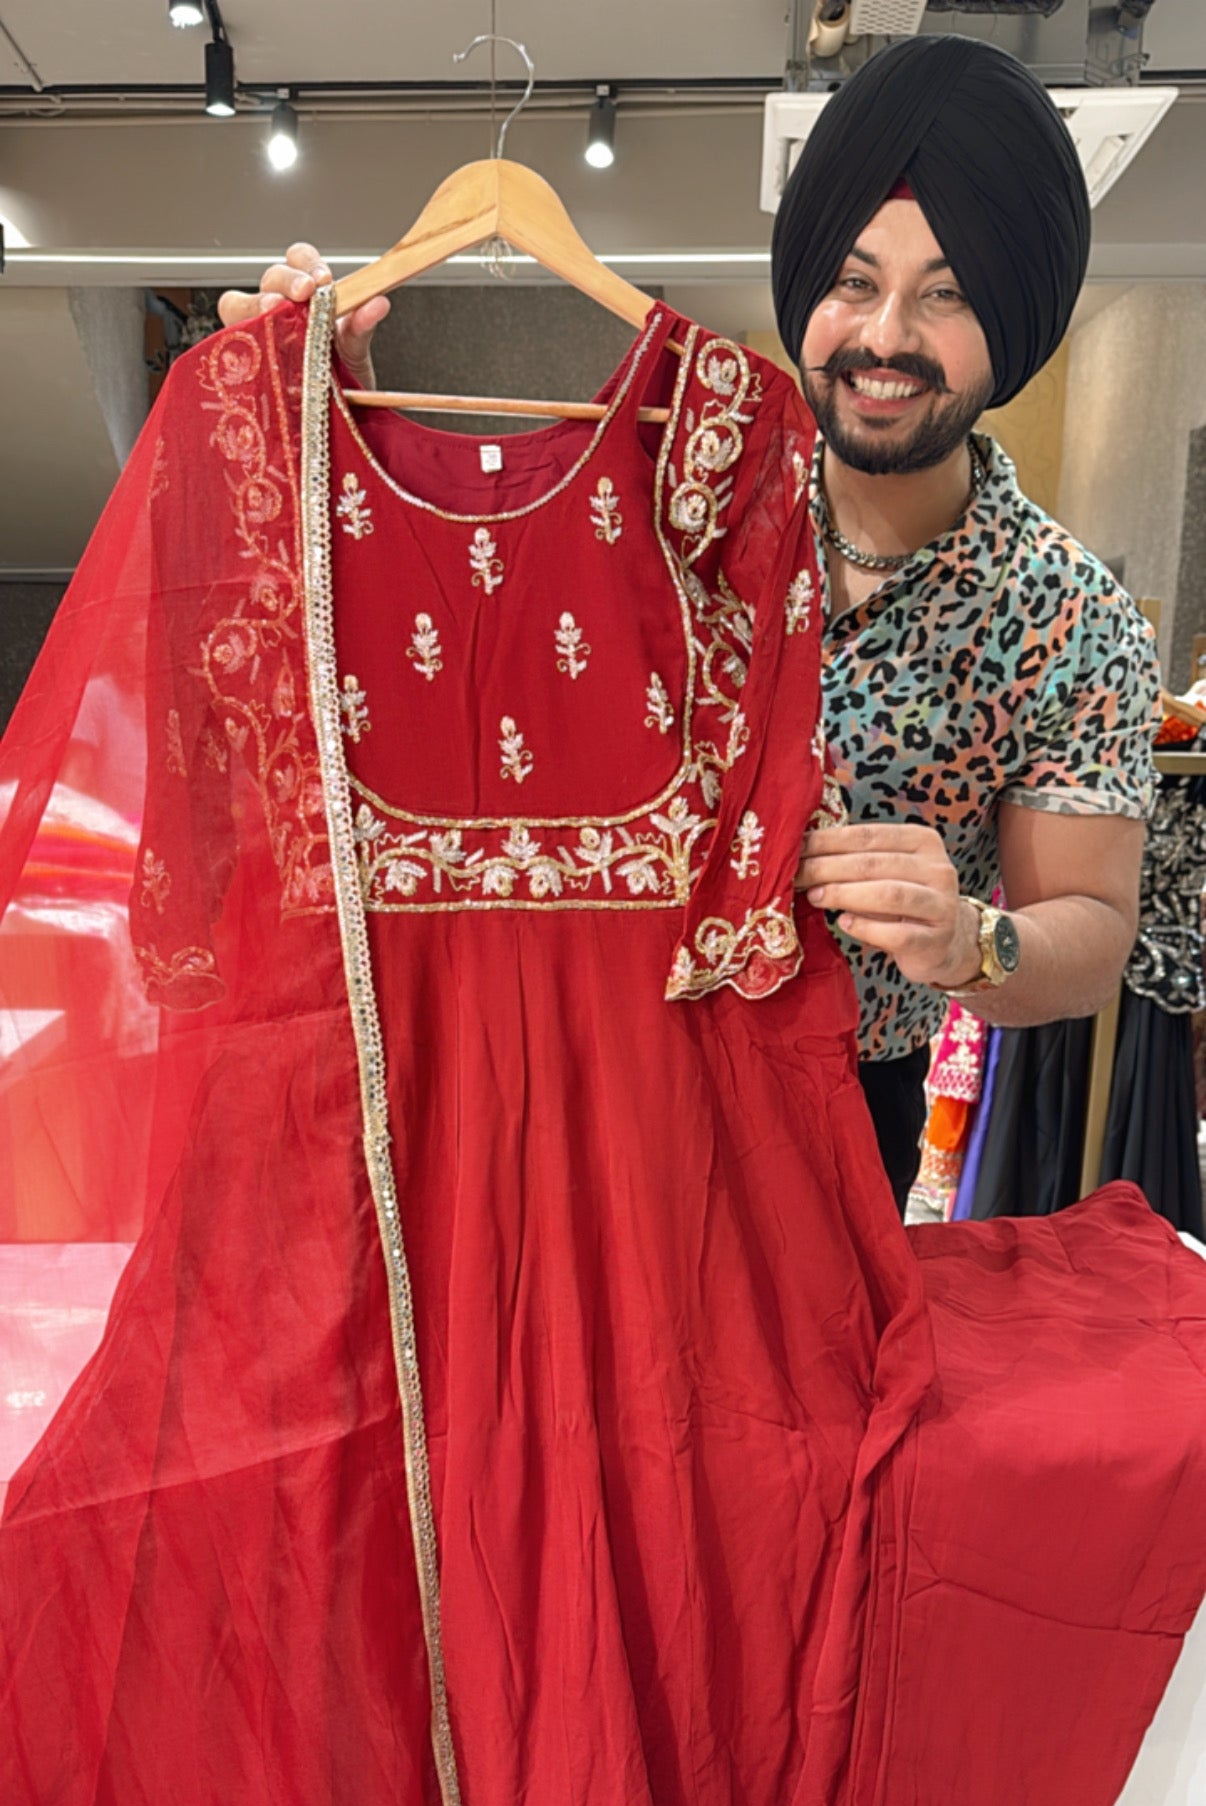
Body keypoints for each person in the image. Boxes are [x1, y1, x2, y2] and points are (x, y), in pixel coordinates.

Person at [219, 36, 1157, 1212]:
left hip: (835, 1110)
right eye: (855, 282)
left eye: (951, 293)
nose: (883, 338)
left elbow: (1094, 929)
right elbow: (429, 655)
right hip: (573, 1081)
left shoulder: (1065, 619)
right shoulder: (663, 487)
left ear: (1013, 315)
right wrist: (334, 431)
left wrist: (974, 939)